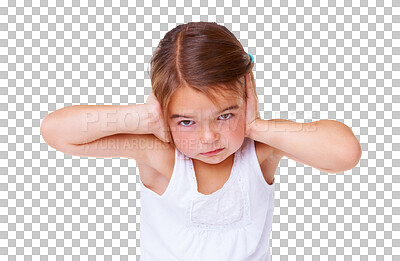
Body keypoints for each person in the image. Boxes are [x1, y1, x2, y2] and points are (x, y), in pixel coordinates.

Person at [40, 22, 362, 260]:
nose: (208, 137)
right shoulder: (160, 155)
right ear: (164, 113)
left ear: (247, 99)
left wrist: (257, 127)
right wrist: (142, 117)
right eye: (186, 121)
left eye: (225, 115)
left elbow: (345, 153)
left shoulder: (260, 152)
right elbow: (56, 132)